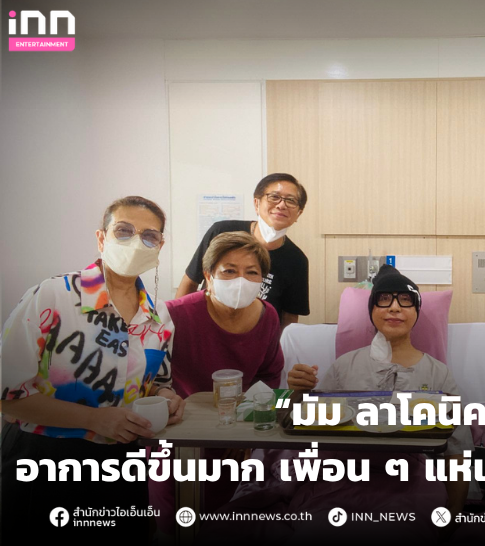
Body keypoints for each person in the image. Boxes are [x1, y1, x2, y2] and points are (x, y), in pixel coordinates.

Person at [0, 196, 185, 540]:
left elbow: (157, 382)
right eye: (124, 231)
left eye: (149, 236)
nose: (136, 242)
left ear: (160, 246)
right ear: (101, 238)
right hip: (46, 459)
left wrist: (167, 398)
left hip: (123, 462)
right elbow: (6, 395)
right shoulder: (53, 296)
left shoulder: (159, 316)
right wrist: (95, 419)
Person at [287, 264, 472, 520]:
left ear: (416, 311)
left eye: (405, 300)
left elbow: (457, 451)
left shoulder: (438, 373)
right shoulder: (345, 366)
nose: (394, 307)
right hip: (342, 480)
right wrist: (298, 394)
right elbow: (308, 427)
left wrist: (454, 512)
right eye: (384, 299)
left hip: (412, 482)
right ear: (372, 310)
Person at [149, 231, 285, 538]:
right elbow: (150, 377)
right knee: (174, 524)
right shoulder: (175, 314)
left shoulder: (268, 316)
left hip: (233, 435)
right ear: (208, 276)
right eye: (229, 271)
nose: (241, 280)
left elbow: (269, 375)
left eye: (252, 273)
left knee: (220, 524)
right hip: (178, 434)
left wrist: (246, 431)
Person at [176, 173, 310, 328]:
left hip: (257, 333)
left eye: (291, 200)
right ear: (257, 203)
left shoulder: (297, 260)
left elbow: (289, 316)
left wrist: (278, 342)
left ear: (299, 213)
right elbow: (190, 281)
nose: (281, 205)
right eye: (274, 197)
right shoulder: (222, 232)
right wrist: (176, 325)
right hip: (207, 325)